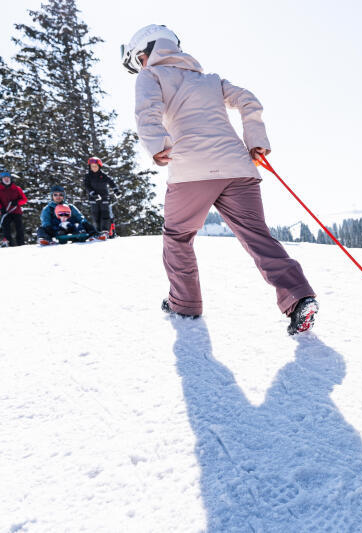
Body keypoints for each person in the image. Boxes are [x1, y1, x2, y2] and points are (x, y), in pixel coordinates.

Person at [122, 24, 318, 333]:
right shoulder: (210, 80)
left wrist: (157, 143)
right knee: (258, 236)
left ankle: (184, 304)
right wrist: (255, 140)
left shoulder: (151, 76)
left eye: (139, 61)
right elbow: (248, 100)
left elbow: (146, 109)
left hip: (191, 169)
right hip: (238, 168)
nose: (141, 67)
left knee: (177, 237)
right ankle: (299, 297)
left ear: (147, 53)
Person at [37, 185, 104, 245]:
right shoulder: (48, 208)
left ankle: (95, 235)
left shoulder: (70, 206)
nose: (58, 197)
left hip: (71, 227)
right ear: (52, 196)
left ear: (64, 196)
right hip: (56, 229)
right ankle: (45, 239)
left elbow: (79, 217)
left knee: (85, 223)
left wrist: (83, 224)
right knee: (42, 229)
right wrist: (51, 228)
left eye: (60, 195)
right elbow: (46, 221)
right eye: (55, 195)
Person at [83, 156, 120, 234]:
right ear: (90, 167)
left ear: (99, 166)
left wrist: (116, 190)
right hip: (94, 198)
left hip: (104, 197)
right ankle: (98, 231)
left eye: (95, 166)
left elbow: (111, 182)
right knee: (96, 214)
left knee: (105, 214)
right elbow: (87, 186)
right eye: (92, 166)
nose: (94, 168)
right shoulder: (88, 176)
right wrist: (93, 193)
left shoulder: (103, 175)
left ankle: (105, 230)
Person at [0, 171, 28, 246]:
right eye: (4, 178)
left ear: (10, 179)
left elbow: (24, 199)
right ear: (1, 180)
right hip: (5, 212)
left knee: (19, 228)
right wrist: (1, 208)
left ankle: (21, 244)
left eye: (8, 178)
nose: (7, 179)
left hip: (16, 211)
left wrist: (17, 202)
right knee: (6, 229)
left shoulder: (17, 189)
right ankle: (9, 244)